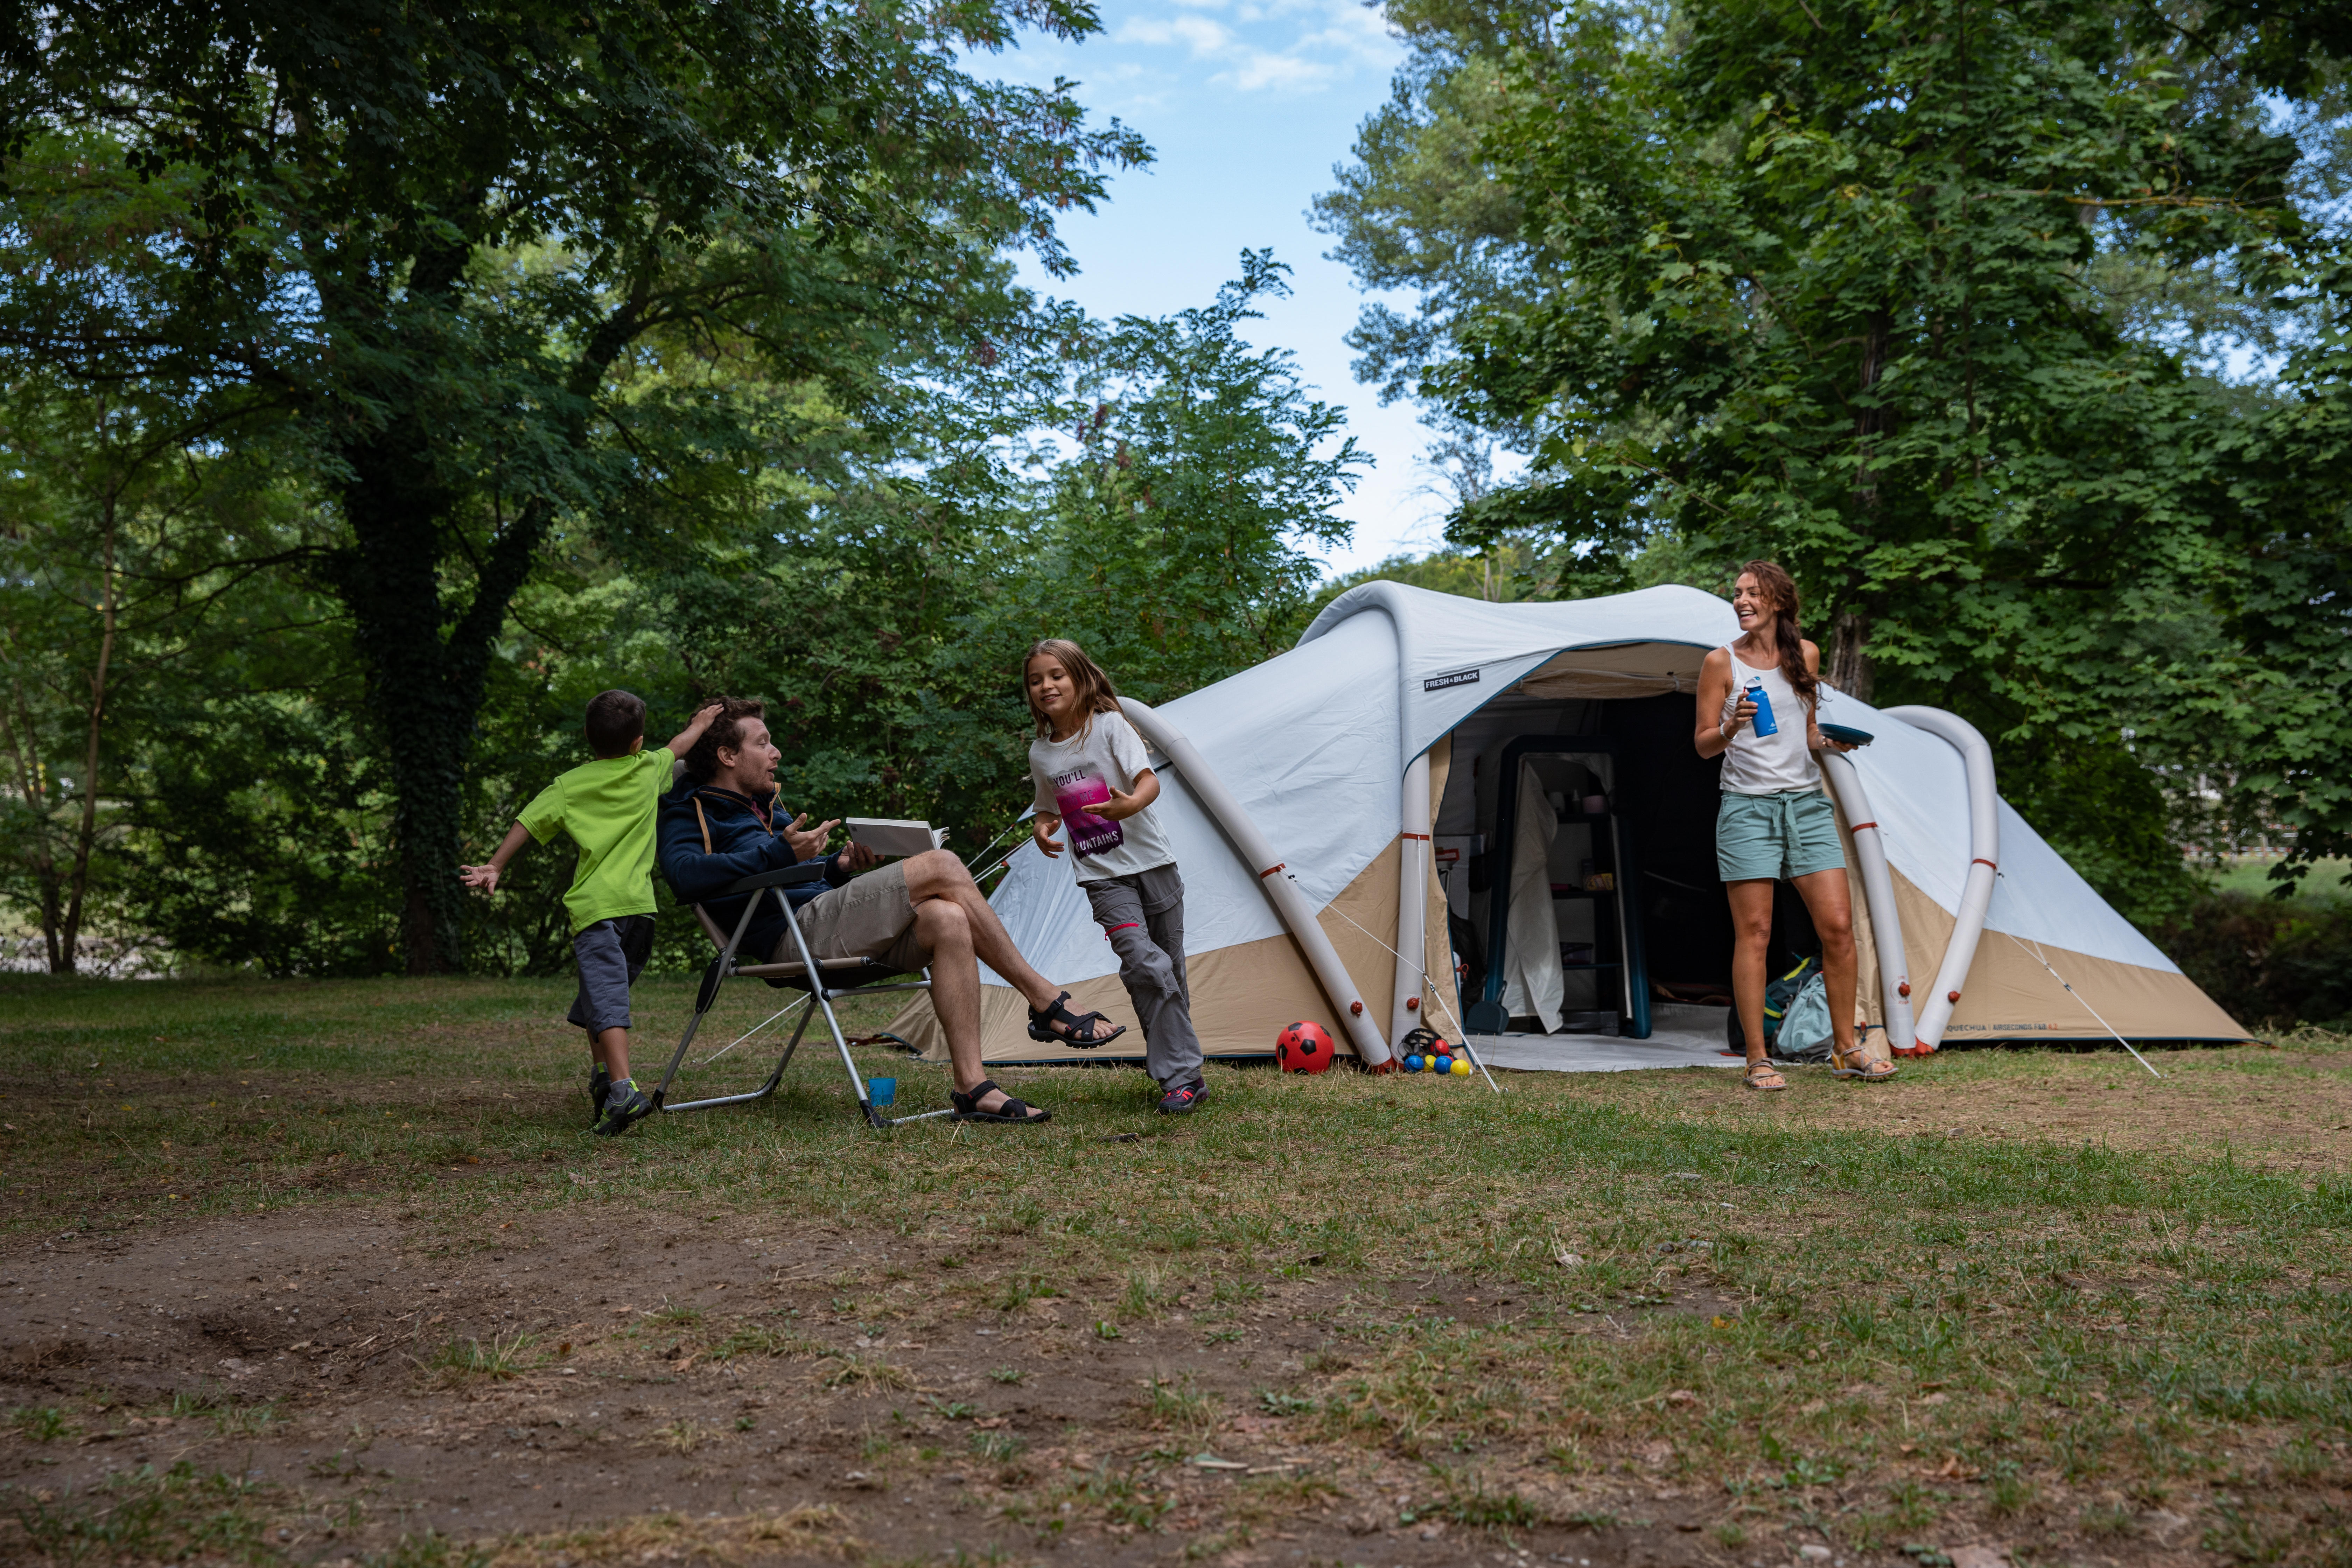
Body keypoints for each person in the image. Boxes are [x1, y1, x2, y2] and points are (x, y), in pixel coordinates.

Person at [656, 697, 1126, 1124]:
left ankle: (973, 1087)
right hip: (790, 939)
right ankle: (1044, 1000)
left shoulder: (765, 806)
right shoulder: (688, 807)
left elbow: (793, 873)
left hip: (821, 922)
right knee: (941, 865)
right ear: (728, 756)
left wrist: (837, 867)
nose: (776, 752)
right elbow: (684, 877)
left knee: (948, 918)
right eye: (763, 743)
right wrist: (778, 856)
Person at [462, 691, 725, 1134]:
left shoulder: (570, 784)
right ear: (638, 742)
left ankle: (623, 1090)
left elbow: (528, 820)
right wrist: (702, 722)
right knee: (596, 997)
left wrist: (496, 864)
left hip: (596, 909)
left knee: (605, 999)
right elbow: (681, 744)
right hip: (641, 912)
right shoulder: (648, 769)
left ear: (588, 737)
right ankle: (604, 1078)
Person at [1693, 561, 1895, 1090]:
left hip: (1805, 806)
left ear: (1778, 601)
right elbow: (1702, 745)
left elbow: (1802, 734)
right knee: (1755, 935)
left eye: (1753, 594)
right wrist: (1731, 725)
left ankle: (1846, 1048)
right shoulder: (1720, 662)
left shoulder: (1804, 654)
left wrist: (1828, 741)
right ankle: (1758, 1058)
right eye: (1737, 593)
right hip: (1747, 809)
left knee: (1839, 929)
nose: (1741, 601)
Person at [1024, 639, 1206, 1115]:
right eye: (1036, 679)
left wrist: (1130, 804)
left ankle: (1185, 1079)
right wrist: (1043, 829)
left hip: (1153, 864)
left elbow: (1148, 780)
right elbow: (1047, 808)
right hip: (1103, 878)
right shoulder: (1041, 754)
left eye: (1056, 675)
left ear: (1080, 678)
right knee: (1147, 965)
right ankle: (1180, 1075)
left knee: (1169, 971)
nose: (1046, 685)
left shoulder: (1110, 727)